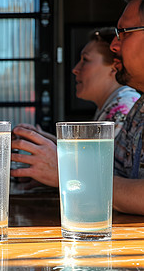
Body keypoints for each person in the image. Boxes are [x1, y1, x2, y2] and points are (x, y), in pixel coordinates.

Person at [10, 27, 140, 188]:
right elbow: (91, 160)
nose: (75, 69)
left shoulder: (123, 104)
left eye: (85, 60)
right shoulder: (115, 104)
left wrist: (62, 176)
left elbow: (98, 171)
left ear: (114, 66)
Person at [108, 0, 144, 215]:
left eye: (124, 33)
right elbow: (113, 170)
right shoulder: (140, 106)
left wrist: (64, 173)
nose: (113, 45)